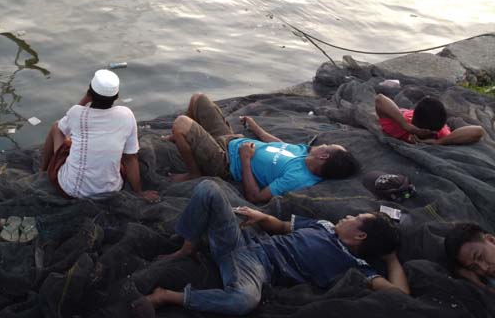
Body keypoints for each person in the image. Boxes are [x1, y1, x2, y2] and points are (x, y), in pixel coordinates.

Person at [133, 180, 408, 316]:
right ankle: (187, 248)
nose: (347, 216)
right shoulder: (323, 225)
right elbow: (282, 227)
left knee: (244, 301)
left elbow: (400, 295)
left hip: (257, 269)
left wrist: (392, 258)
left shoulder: (355, 266)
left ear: (360, 236)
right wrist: (261, 217)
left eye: (355, 218)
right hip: (245, 241)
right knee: (208, 188)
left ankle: (166, 296)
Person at [169, 93, 359, 203]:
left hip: (224, 161)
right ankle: (186, 140)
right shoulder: (304, 153)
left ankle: (193, 171)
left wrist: (245, 159)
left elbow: (255, 197)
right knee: (198, 99)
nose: (322, 144)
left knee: (181, 123)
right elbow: (277, 143)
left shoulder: (297, 178)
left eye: (326, 146)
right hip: (230, 139)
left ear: (324, 156)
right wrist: (254, 127)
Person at [40, 69, 159, 202]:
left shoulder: (76, 113)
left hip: (71, 190)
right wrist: (139, 192)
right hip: (111, 190)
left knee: (56, 127)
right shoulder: (126, 115)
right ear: (117, 96)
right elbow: (130, 159)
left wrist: (86, 98)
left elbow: (66, 123)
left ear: (89, 93)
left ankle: (44, 169)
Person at [375, 94, 485, 145]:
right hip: (406, 116)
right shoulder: (397, 127)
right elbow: (380, 99)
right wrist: (406, 125)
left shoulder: (441, 133)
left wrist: (439, 142)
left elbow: (478, 131)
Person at [444, 223, 495, 290]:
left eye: (480, 257)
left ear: (490, 240)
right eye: (474, 267)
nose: (484, 268)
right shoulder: (489, 282)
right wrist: (478, 284)